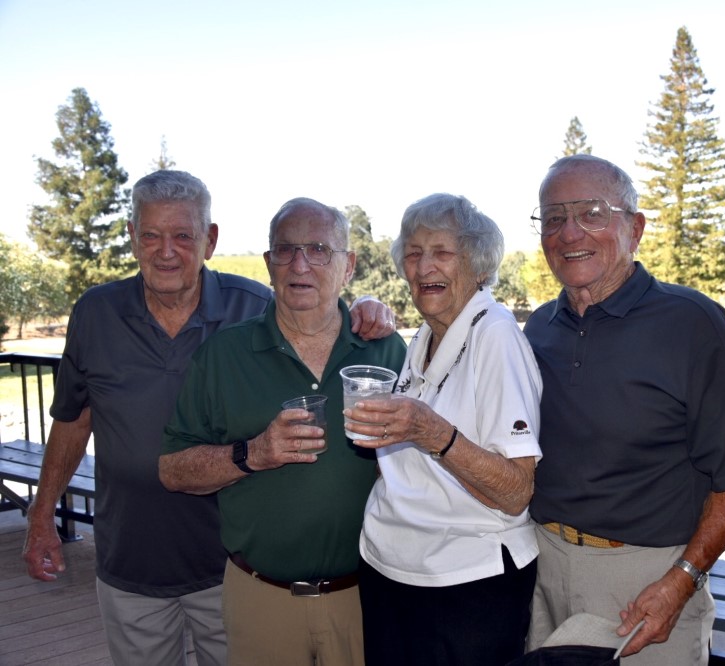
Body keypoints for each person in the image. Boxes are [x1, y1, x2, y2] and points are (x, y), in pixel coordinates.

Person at [21, 172, 395, 666]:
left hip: (228, 564)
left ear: (210, 240)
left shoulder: (253, 303)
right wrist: (42, 513)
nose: (166, 251)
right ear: (132, 236)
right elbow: (73, 418)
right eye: (151, 235)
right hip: (134, 556)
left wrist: (369, 310)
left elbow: (314, 308)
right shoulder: (96, 313)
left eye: (182, 236)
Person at [159, 196, 407, 665]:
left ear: (348, 265)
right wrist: (253, 452)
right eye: (285, 250)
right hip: (261, 597)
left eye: (319, 249)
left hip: (367, 592)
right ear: (269, 263)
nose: (301, 264)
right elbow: (173, 470)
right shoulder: (224, 355)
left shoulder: (386, 351)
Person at [523, 154, 725, 665]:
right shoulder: (538, 330)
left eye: (592, 212)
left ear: (635, 227)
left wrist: (682, 581)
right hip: (545, 572)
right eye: (553, 217)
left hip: (648, 584)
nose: (569, 231)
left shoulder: (691, 323)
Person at [344, 193, 543, 666]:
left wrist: (434, 433)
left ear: (477, 265)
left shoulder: (494, 335)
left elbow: (516, 491)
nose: (423, 265)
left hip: (465, 587)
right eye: (413, 254)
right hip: (392, 572)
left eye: (442, 252)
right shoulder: (426, 335)